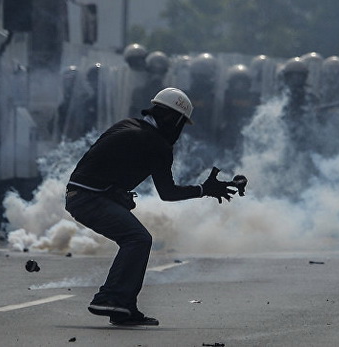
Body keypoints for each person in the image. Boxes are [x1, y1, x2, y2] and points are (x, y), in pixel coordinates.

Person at [65, 87, 240, 326]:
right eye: (180, 124)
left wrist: (115, 193)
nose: (179, 132)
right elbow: (168, 193)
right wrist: (204, 189)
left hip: (82, 194)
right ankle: (111, 298)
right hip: (88, 198)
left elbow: (100, 165)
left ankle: (122, 308)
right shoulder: (156, 144)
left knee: (136, 238)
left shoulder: (127, 125)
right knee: (138, 239)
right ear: (172, 118)